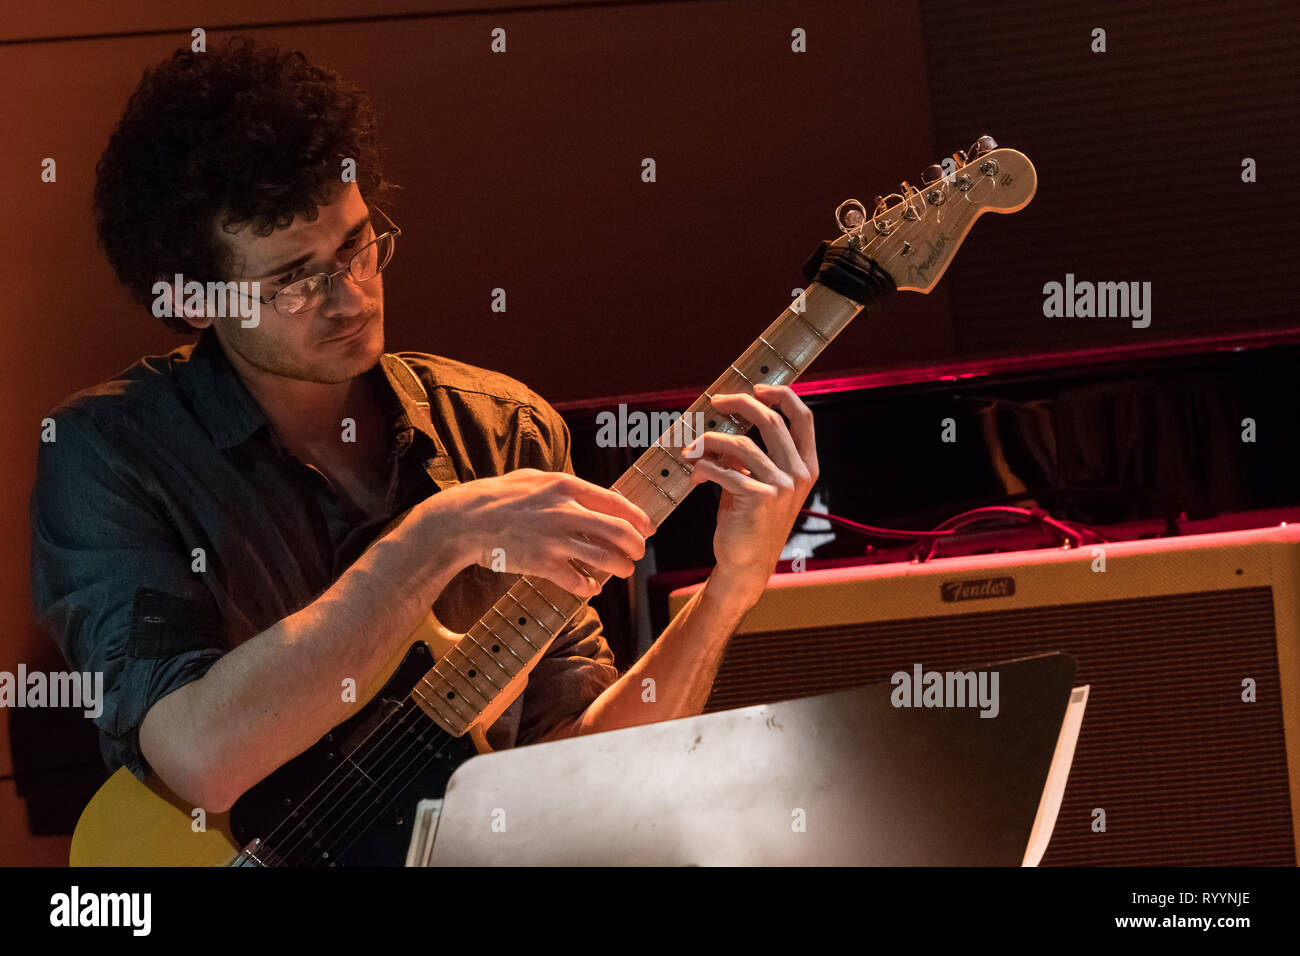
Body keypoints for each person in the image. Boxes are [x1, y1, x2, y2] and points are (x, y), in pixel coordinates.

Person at [29, 36, 818, 816]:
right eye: (295, 281)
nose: (352, 298)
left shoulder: (502, 430)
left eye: (357, 245)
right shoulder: (110, 455)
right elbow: (200, 761)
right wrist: (434, 539)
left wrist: (729, 592)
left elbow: (580, 778)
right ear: (196, 302)